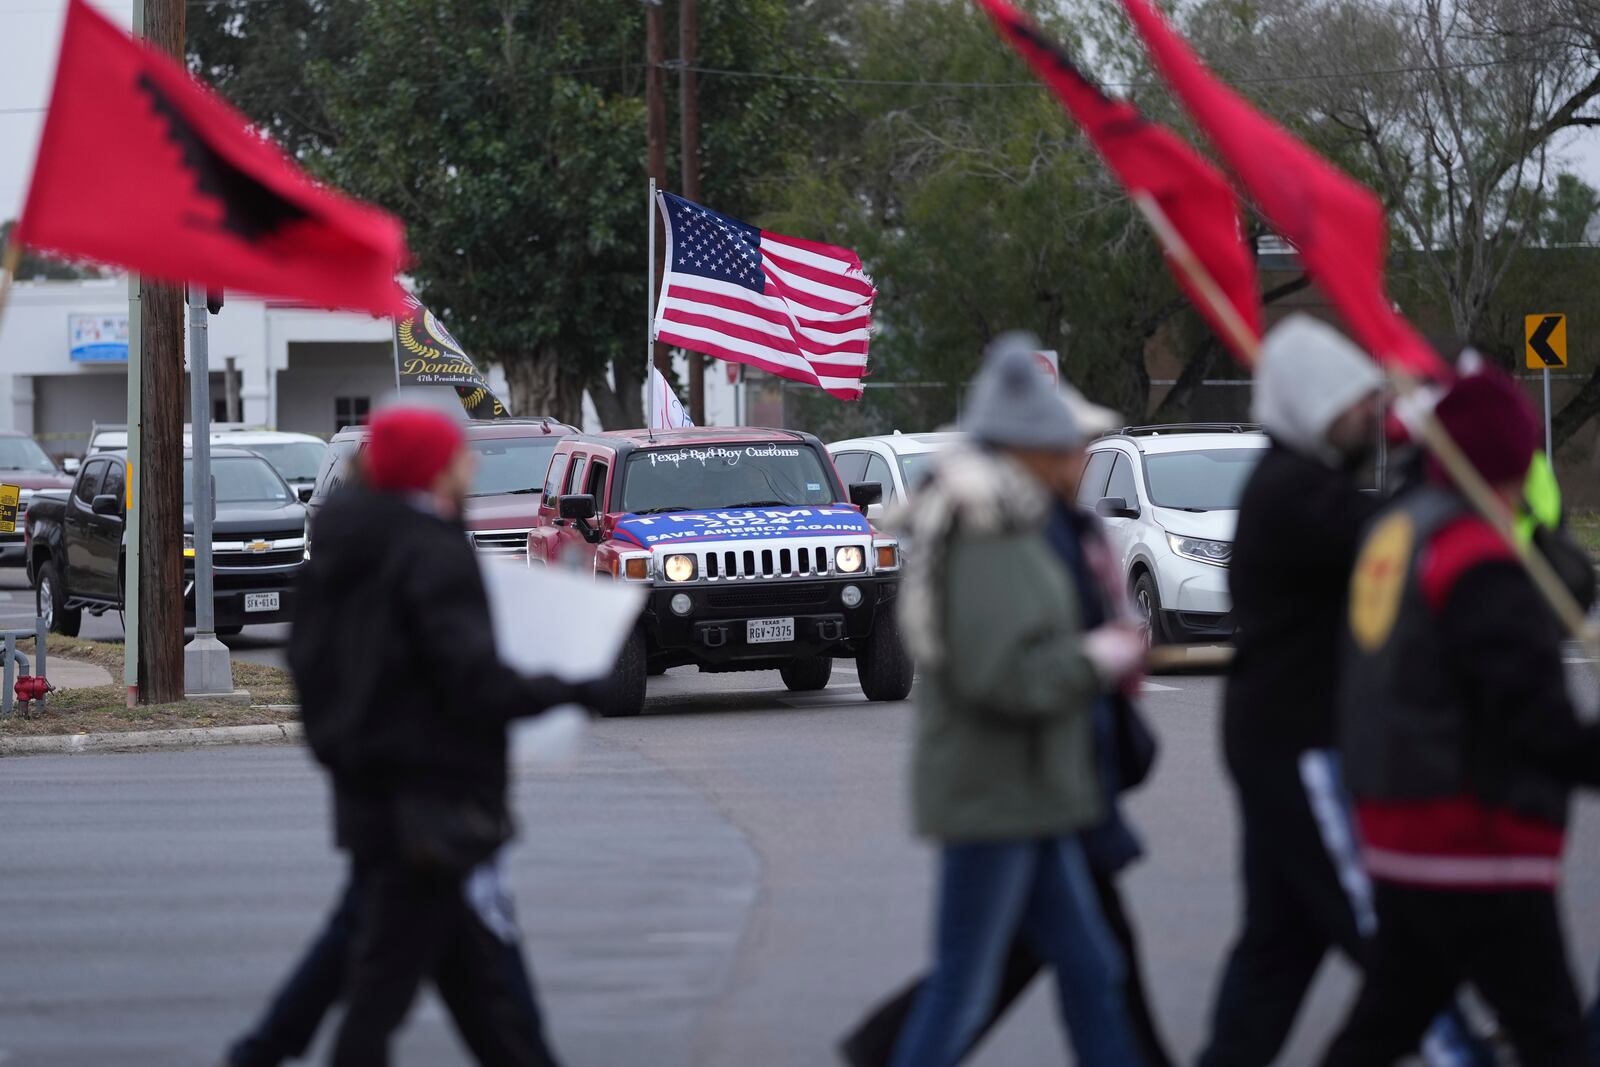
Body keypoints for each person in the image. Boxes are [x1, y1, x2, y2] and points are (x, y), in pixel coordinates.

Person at [839, 384, 1172, 1067]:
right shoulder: (988, 528)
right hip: (995, 794)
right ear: (1028, 449)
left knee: (1089, 970)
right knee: (968, 986)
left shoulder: (1012, 516)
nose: (1080, 458)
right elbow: (1003, 674)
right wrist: (1093, 658)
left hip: (1028, 791)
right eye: (1066, 445)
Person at [287, 404, 602, 1067]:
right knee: (407, 998)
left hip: (384, 801)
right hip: (435, 812)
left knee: (431, 983)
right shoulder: (428, 553)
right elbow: (471, 679)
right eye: (461, 454)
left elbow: (329, 677)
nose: (473, 463)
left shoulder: (347, 548)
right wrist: (569, 687)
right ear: (432, 469)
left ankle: (255, 1052)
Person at [1322, 367, 1600, 1067]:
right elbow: (1534, 722)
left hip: (1399, 826)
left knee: (1381, 1026)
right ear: (1512, 459)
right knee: (1554, 1037)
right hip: (1476, 841)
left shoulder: (1398, 534)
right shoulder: (1480, 562)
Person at [220, 852, 545, 1067]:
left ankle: (257, 1055)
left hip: (422, 832)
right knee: (501, 1010)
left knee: (356, 971)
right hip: (430, 836)